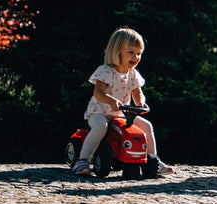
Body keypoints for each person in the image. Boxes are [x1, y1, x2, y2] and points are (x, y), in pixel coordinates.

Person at [71, 27, 174, 177]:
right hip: (100, 112)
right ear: (117, 51)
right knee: (101, 127)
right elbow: (98, 92)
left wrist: (140, 103)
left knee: (146, 126)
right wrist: (111, 100)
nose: (136, 57)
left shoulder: (133, 74)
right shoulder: (106, 71)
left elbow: (137, 93)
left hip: (121, 114)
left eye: (139, 53)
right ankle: (82, 160)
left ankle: (153, 160)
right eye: (131, 52)